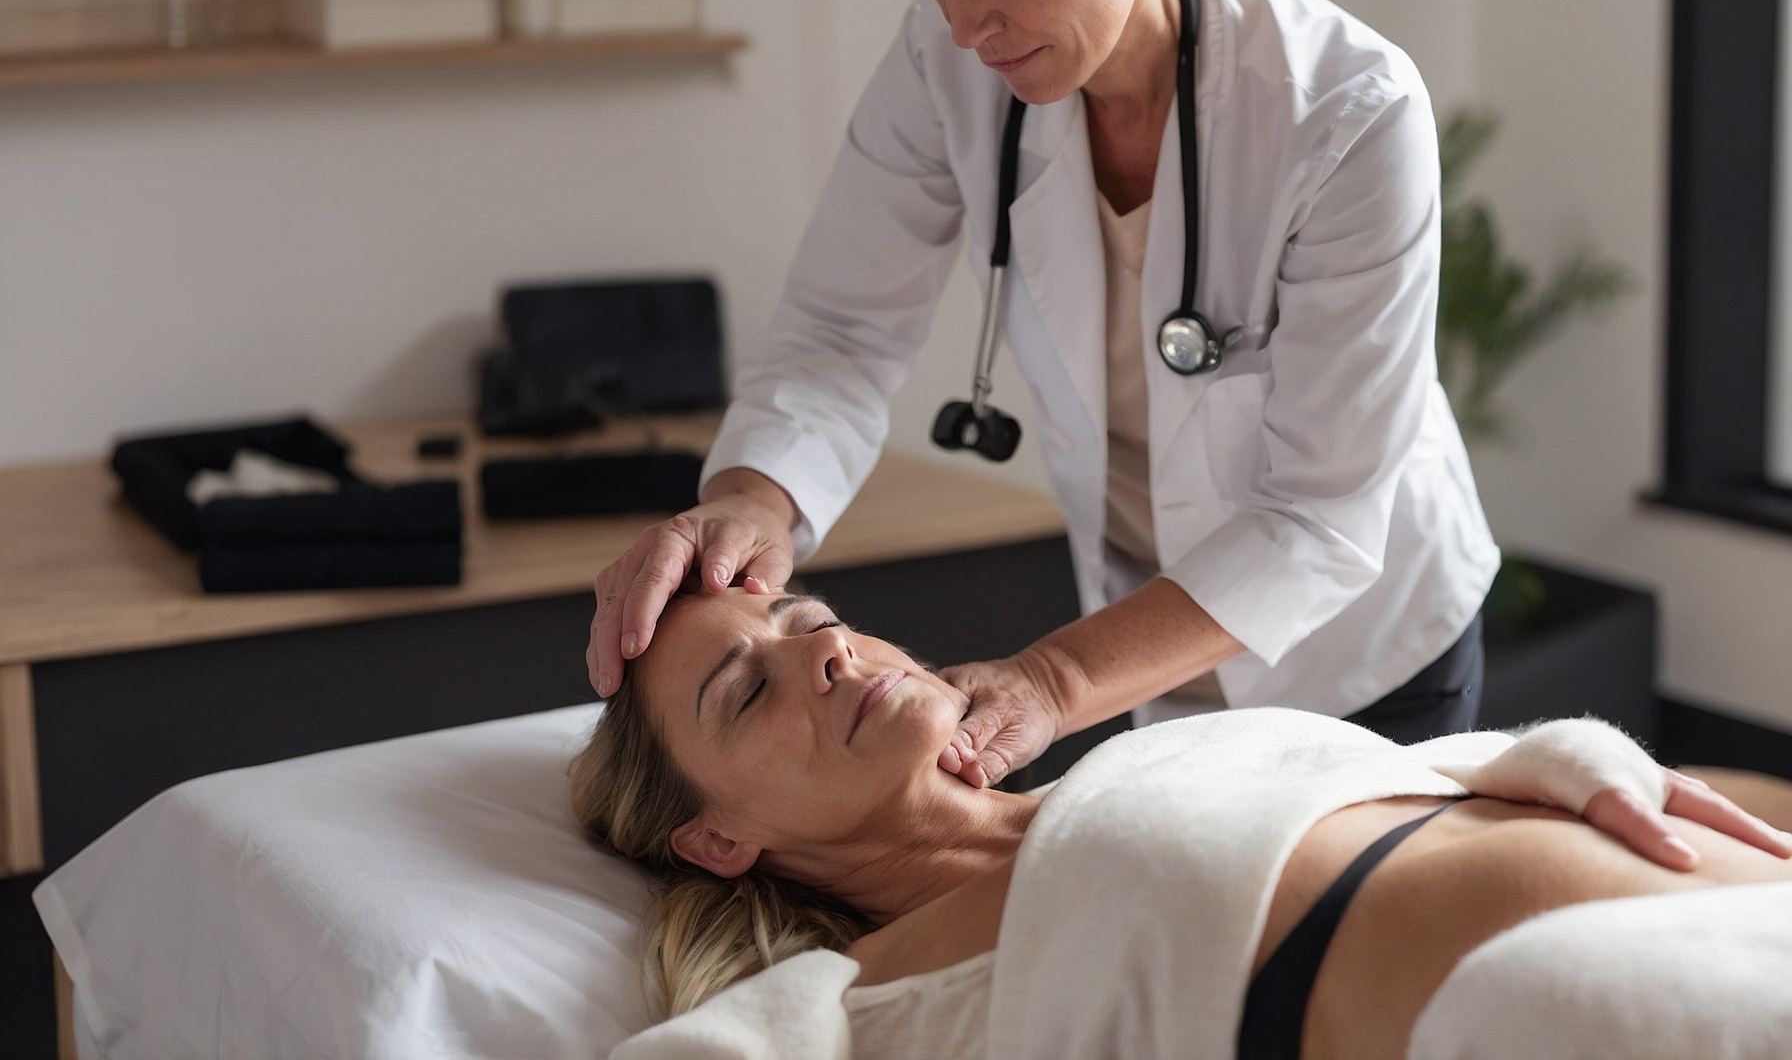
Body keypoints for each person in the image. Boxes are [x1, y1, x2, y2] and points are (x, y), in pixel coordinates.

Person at [590, 0, 1505, 785]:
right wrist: (751, 499)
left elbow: (1318, 519)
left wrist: (1056, 683)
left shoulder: (1346, 111)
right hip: (1149, 649)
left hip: (1364, 655)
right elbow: (841, 330)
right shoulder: (946, 63)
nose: (963, 23)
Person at [573, 587, 1792, 1058]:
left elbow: (1383, 780)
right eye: (747, 689)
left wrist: (1567, 756)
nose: (824, 652)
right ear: (716, 840)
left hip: (1739, 904)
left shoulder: (1142, 760)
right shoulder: (864, 988)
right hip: (1598, 1009)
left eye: (805, 617)